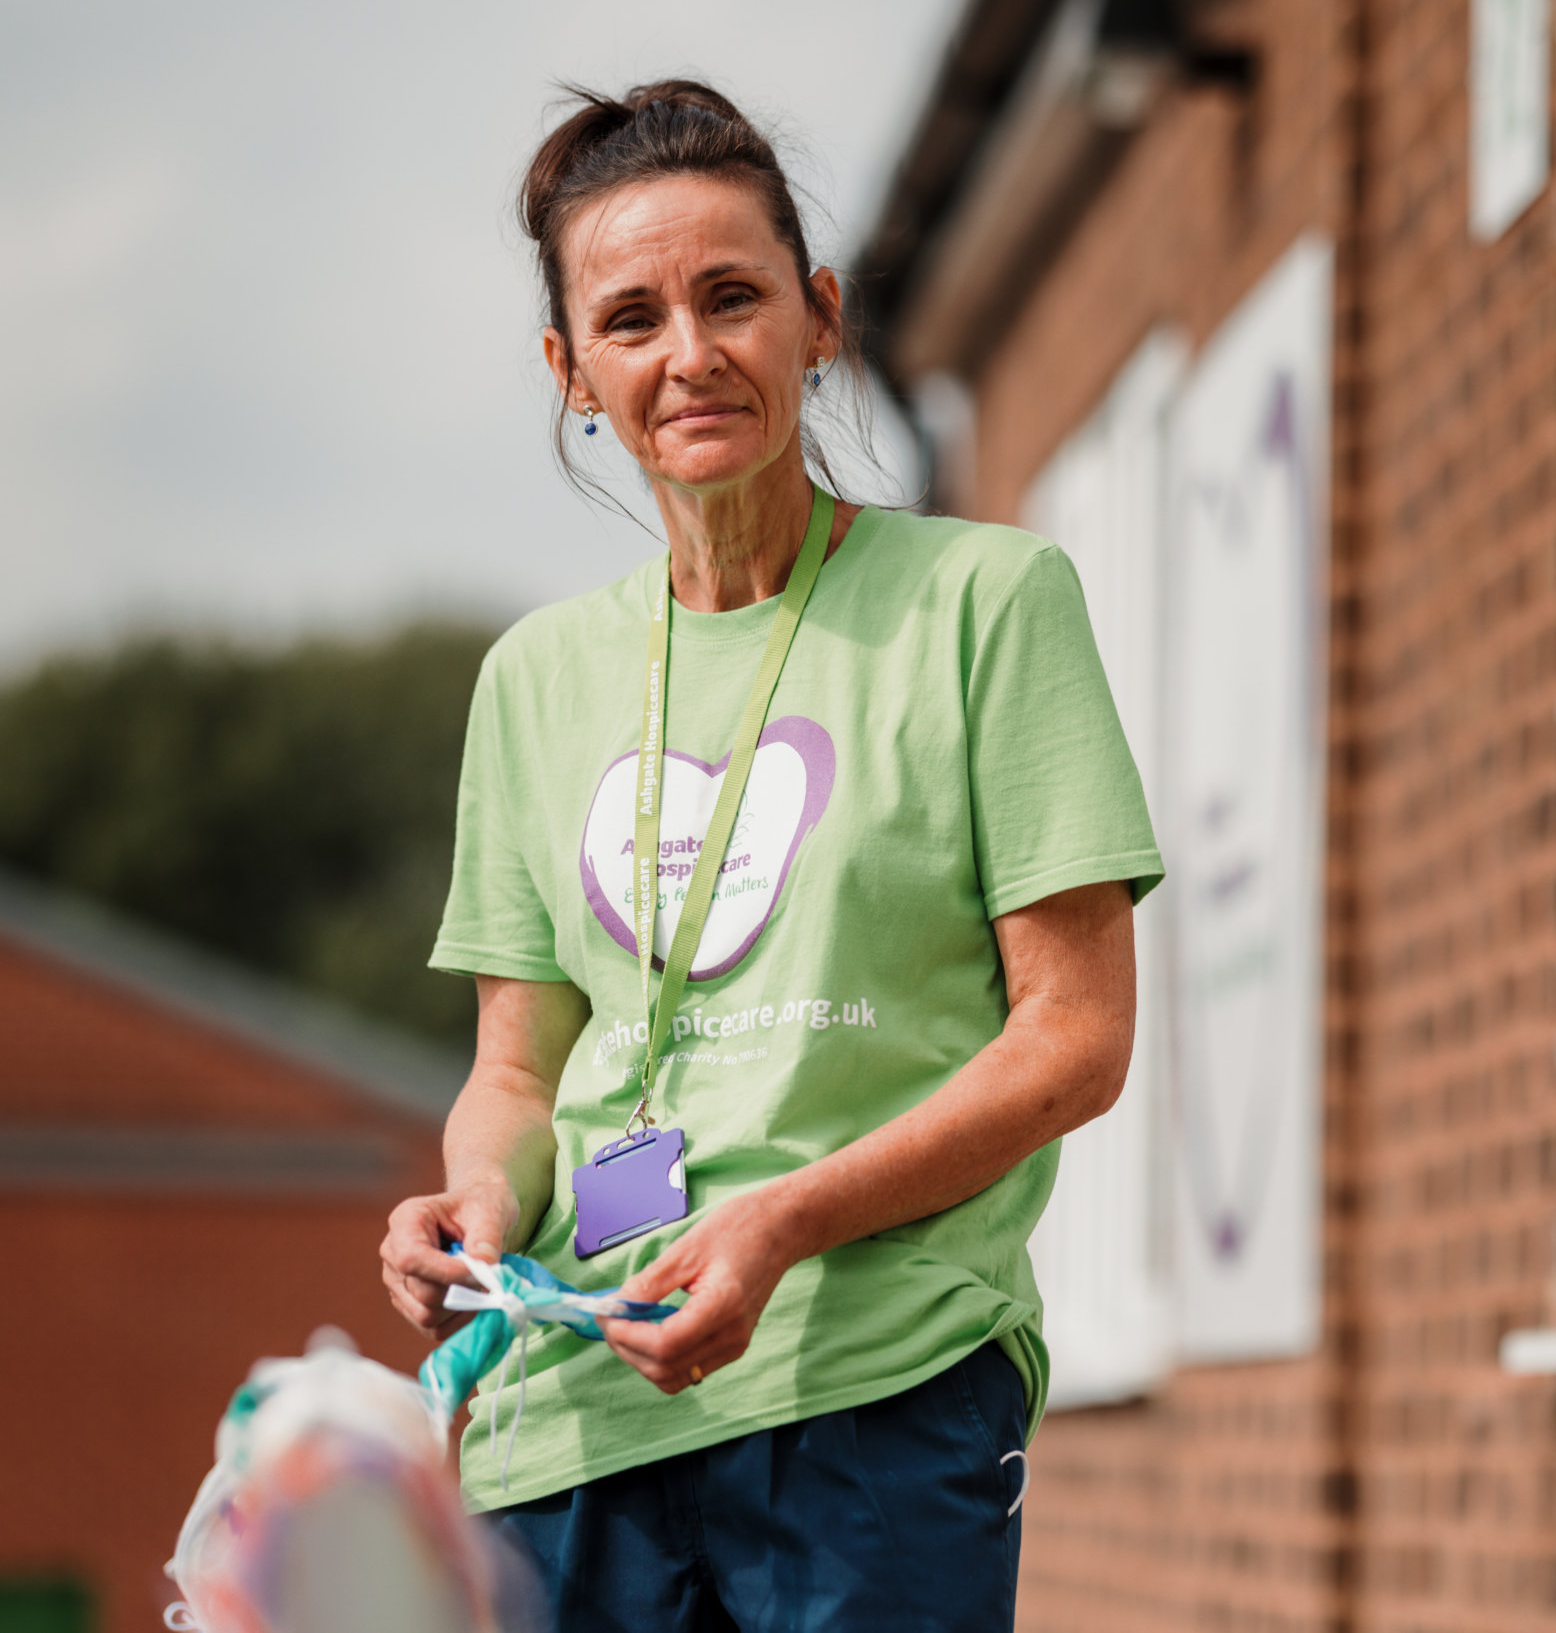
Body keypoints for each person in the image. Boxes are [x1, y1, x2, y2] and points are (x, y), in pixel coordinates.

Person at [378, 79, 1161, 1632]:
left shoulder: (987, 605)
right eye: (632, 319)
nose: (690, 354)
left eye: (733, 296)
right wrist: (474, 1199)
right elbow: (523, 1076)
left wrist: (783, 1220)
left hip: (871, 1387)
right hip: (567, 1422)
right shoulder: (533, 679)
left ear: (819, 319)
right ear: (573, 372)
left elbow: (1074, 1037)